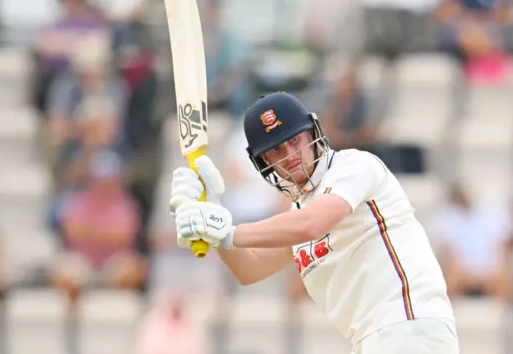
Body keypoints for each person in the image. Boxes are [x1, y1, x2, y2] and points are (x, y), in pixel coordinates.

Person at [168, 92, 458, 354]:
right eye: (276, 150)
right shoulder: (299, 211)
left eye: (294, 140)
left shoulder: (354, 167)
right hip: (375, 340)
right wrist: (215, 227)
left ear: (313, 133)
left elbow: (313, 224)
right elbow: (250, 268)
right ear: (263, 162)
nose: (290, 156)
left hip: (409, 328)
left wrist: (228, 230)